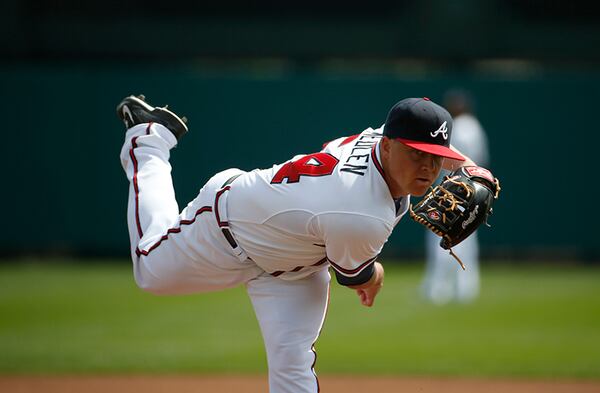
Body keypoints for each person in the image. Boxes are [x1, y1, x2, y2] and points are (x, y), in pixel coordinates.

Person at [117, 94, 477, 393]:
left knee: (293, 368)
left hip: (296, 263)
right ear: (388, 145)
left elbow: (423, 140)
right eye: (417, 153)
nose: (429, 167)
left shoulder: (382, 138)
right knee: (150, 271)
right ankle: (149, 140)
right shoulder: (362, 213)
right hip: (228, 228)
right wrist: (375, 273)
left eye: (435, 156)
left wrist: (474, 170)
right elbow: (356, 277)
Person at [421, 90, 490, 305]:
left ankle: (437, 289)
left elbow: (444, 160)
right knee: (467, 238)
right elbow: (480, 160)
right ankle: (466, 288)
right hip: (474, 188)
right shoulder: (476, 127)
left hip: (453, 188)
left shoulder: (456, 127)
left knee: (438, 235)